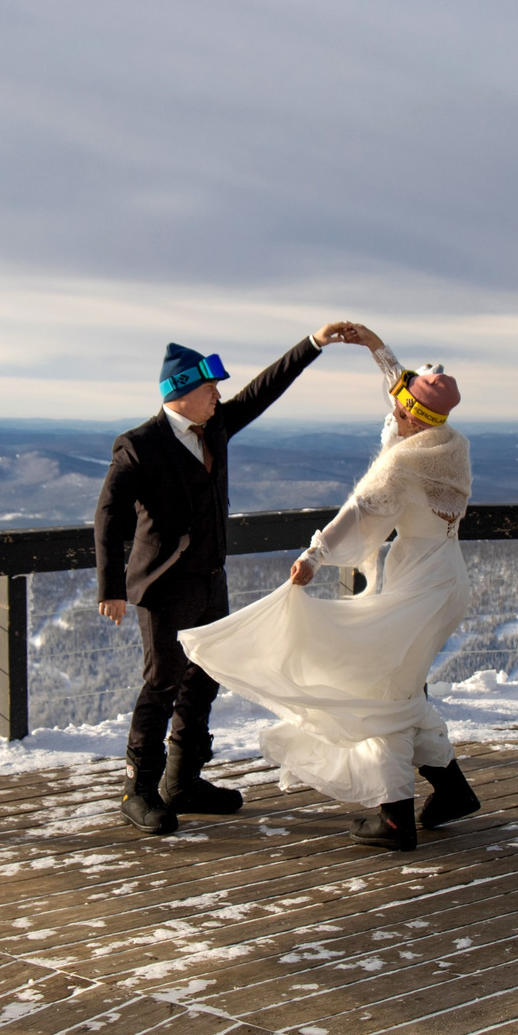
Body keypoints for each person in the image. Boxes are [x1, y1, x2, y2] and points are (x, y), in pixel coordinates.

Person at [177, 336, 480, 852]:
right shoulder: (450, 445)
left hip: (416, 588)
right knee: (400, 689)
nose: (392, 406)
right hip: (447, 580)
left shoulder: (402, 465)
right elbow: (405, 392)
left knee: (377, 692)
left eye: (397, 407)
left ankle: (394, 817)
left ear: (407, 415)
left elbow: (359, 514)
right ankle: (451, 789)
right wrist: (374, 346)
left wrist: (314, 556)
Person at [94, 322, 381, 834]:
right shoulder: (140, 445)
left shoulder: (216, 426)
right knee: (161, 683)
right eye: (210, 391)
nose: (219, 397)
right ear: (181, 395)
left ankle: (181, 783)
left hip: (209, 581)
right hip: (162, 587)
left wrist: (313, 343)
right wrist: (111, 587)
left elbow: (263, 391)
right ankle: (138, 791)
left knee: (204, 679)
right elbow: (109, 515)